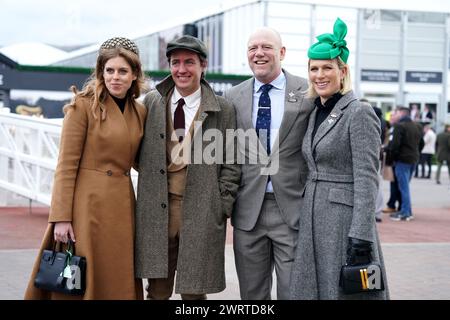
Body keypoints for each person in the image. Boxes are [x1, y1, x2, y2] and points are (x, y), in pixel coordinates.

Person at [24, 37, 148, 299]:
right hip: (86, 207)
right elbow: (66, 166)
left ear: (134, 74)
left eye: (123, 71)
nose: (115, 77)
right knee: (83, 277)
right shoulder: (82, 105)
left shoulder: (140, 111)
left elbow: (142, 159)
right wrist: (60, 217)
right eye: (109, 70)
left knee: (117, 273)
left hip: (123, 206)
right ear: (101, 72)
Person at [134, 35, 240, 300]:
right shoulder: (151, 102)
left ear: (203, 65)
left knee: (194, 291)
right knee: (156, 290)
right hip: (158, 209)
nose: (182, 69)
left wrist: (221, 205)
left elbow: (232, 162)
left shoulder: (223, 108)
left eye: (189, 62)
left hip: (202, 211)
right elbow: (134, 150)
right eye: (175, 62)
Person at [289, 18, 389, 299]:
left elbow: (368, 177)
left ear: (342, 71)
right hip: (313, 218)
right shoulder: (314, 110)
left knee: (343, 292)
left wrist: (361, 235)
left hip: (343, 223)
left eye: (327, 68)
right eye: (314, 68)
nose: (319, 75)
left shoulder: (359, 112)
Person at [222, 27, 313, 300]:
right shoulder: (232, 97)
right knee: (252, 295)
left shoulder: (308, 92)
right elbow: (228, 154)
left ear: (281, 53)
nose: (259, 53)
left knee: (293, 292)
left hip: (292, 211)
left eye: (266, 47)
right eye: (252, 48)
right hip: (249, 212)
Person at [388, 106, 424, 221]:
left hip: (402, 160)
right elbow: (421, 143)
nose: (394, 115)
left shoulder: (399, 126)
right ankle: (407, 211)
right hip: (413, 159)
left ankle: (405, 213)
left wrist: (392, 158)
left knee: (404, 187)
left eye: (396, 112)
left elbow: (394, 145)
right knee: (405, 187)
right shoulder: (417, 126)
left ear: (401, 113)